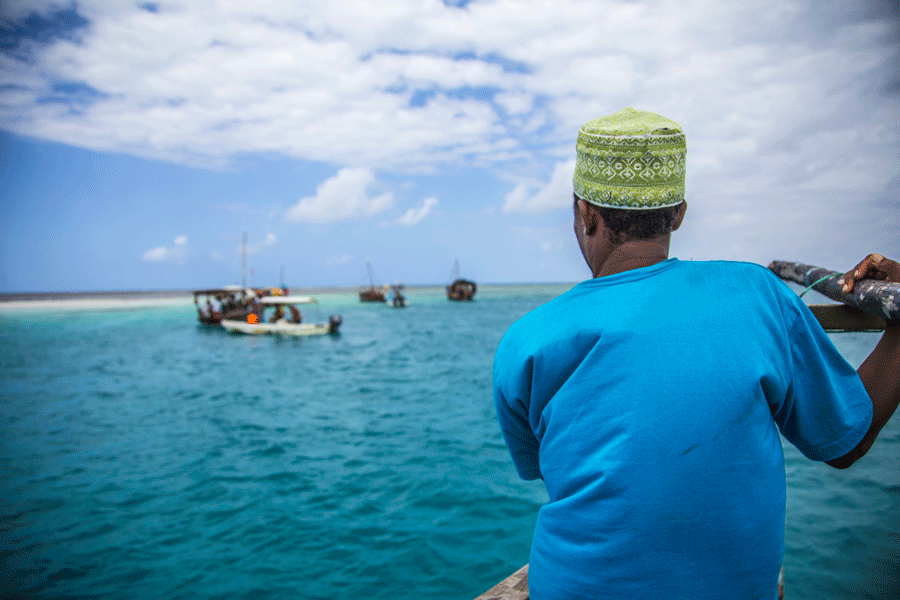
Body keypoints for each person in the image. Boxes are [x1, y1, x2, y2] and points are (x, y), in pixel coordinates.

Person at [492, 107, 900, 599]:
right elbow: (845, 440)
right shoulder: (756, 292)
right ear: (679, 213)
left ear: (583, 211)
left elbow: (550, 467)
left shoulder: (527, 339)